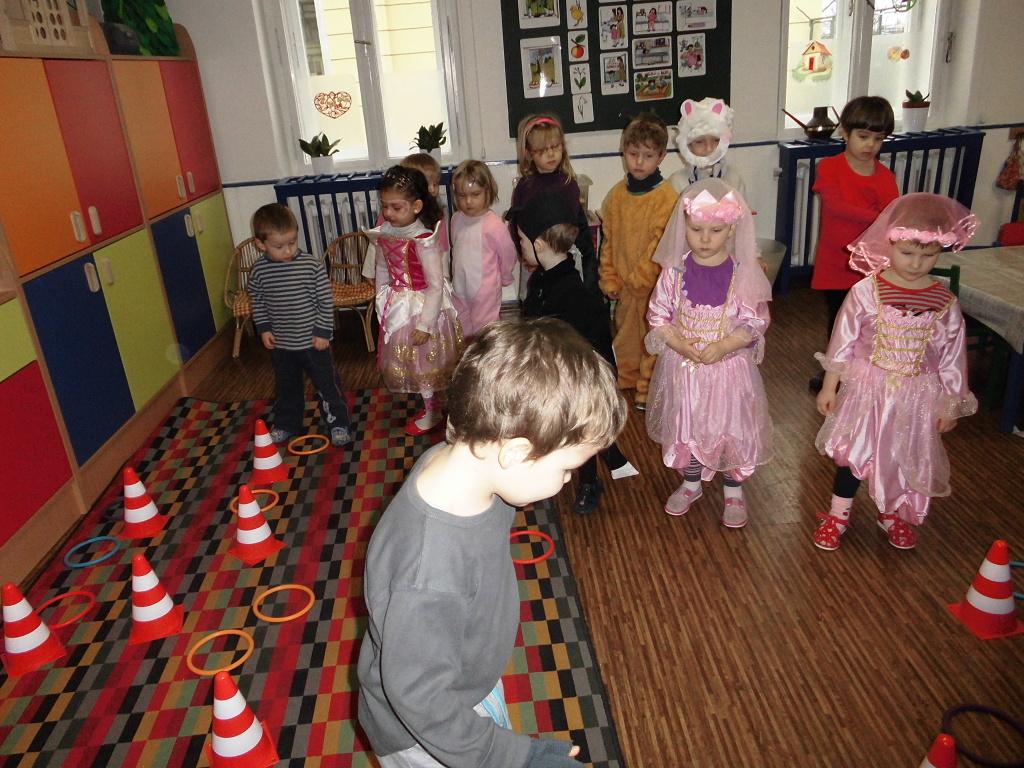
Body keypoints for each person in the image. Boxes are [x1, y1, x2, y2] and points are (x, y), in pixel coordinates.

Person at [357, 318, 626, 767]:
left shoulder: (464, 469)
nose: (566, 481)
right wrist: (514, 757)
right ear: (515, 452)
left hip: (463, 676)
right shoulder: (430, 570)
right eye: (566, 469)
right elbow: (420, 698)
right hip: (426, 736)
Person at [813, 193, 978, 551]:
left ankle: (891, 514)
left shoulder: (944, 301)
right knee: (854, 453)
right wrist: (829, 386)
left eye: (928, 255)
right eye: (907, 253)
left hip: (915, 396)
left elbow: (952, 356)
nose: (916, 264)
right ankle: (838, 513)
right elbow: (842, 342)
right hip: (869, 390)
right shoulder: (866, 291)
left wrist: (950, 403)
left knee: (903, 455)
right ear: (890, 243)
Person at [645, 179, 773, 527]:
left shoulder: (742, 274)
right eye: (696, 229)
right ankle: (691, 482)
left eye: (715, 231)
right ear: (683, 226)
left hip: (728, 372)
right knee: (688, 424)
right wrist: (678, 343)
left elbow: (754, 322)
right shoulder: (674, 272)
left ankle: (733, 489)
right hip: (685, 370)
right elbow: (658, 315)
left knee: (730, 428)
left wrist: (723, 346)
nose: (704, 239)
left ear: (731, 229)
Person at [509, 193, 638, 514]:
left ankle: (590, 481)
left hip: (580, 378)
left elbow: (590, 349)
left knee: (576, 428)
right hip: (553, 369)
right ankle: (595, 455)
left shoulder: (572, 293)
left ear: (539, 244)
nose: (520, 246)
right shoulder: (542, 280)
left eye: (521, 240)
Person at [808, 95, 899, 392]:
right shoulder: (830, 167)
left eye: (878, 139)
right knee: (838, 319)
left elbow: (892, 216)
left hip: (871, 265)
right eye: (863, 136)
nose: (870, 145)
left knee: (867, 320)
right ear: (845, 133)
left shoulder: (886, 177)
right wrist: (879, 217)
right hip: (836, 261)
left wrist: (888, 220)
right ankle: (833, 373)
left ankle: (862, 371)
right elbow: (836, 207)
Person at [364, 165, 463, 436]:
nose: (388, 213)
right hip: (399, 304)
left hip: (422, 307)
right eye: (385, 206)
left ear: (417, 206)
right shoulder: (385, 232)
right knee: (413, 363)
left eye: (396, 207)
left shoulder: (424, 240)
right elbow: (382, 268)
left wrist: (425, 324)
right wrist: (383, 301)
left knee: (425, 364)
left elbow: (435, 285)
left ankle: (433, 412)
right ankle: (430, 405)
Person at [247, 203, 352, 446]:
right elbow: (258, 301)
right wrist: (264, 328)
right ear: (261, 244)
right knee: (286, 387)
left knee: (327, 386)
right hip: (282, 345)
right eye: (279, 246)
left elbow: (325, 301)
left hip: (314, 343)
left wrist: (323, 331)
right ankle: (286, 423)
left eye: (292, 242)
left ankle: (339, 423)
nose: (288, 250)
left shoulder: (311, 266)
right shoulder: (258, 272)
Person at [598, 112, 678, 411]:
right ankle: (627, 378)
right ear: (624, 152)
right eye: (633, 154)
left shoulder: (667, 197)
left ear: (661, 157)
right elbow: (609, 239)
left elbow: (661, 245)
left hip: (654, 289)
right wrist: (609, 276)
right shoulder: (616, 196)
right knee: (625, 336)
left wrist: (641, 279)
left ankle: (649, 388)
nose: (639, 162)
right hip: (625, 287)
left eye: (648, 156)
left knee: (653, 339)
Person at [511, 113, 598, 296]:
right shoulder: (525, 186)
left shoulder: (568, 183)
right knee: (535, 301)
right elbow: (516, 224)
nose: (551, 154)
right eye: (542, 150)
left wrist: (587, 266)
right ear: (529, 153)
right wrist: (525, 254)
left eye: (555, 147)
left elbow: (578, 225)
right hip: (535, 258)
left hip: (563, 260)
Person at [450, 159, 517, 339]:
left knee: (486, 330)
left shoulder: (493, 225)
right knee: (462, 327)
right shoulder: (456, 219)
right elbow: (456, 249)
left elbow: (508, 253)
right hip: (460, 285)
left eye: (475, 194)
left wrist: (505, 275)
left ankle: (488, 354)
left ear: (488, 191)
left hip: (485, 289)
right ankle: (468, 353)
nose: (468, 201)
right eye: (462, 195)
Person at [362, 152, 450, 280]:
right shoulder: (389, 214)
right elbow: (376, 244)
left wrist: (445, 278)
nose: (432, 189)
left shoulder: (437, 215)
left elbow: (443, 250)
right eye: (427, 184)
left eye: (435, 184)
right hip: (394, 277)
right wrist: (369, 273)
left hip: (425, 279)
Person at [668, 97, 746, 196]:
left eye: (716, 140)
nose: (709, 148)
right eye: (699, 142)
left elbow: (743, 205)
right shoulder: (677, 182)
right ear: (688, 145)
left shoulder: (734, 178)